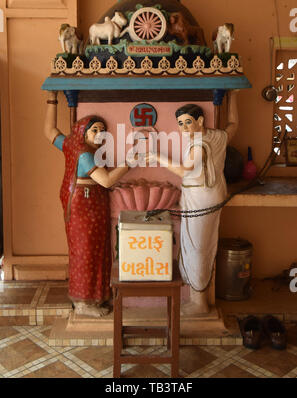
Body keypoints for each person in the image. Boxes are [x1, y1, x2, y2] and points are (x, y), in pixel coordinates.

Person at [146, 91, 239, 314]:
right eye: (180, 124)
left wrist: (157, 156)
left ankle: (200, 302)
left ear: (200, 121)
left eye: (188, 122)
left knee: (198, 247)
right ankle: (199, 297)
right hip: (209, 194)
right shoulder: (217, 136)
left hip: (202, 198)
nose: (184, 128)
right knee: (202, 245)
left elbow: (184, 169)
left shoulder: (200, 144)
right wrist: (234, 95)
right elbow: (234, 124)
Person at [44, 91, 130, 317]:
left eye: (103, 131)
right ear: (83, 132)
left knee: (96, 250)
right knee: (86, 252)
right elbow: (107, 180)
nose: (100, 134)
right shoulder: (84, 154)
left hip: (90, 203)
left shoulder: (71, 145)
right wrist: (129, 162)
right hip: (85, 206)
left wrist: (52, 100)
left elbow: (50, 131)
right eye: (95, 130)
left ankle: (95, 298)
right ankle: (83, 303)